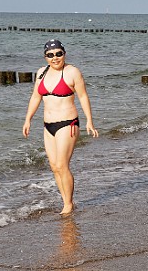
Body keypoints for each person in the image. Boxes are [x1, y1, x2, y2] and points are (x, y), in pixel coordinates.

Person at [23, 39, 98, 215]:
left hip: (68, 124)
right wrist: (28, 120)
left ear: (64, 54)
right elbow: (35, 97)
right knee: (54, 166)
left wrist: (89, 121)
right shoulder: (41, 73)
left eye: (58, 54)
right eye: (50, 55)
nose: (55, 58)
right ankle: (65, 200)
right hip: (47, 126)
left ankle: (68, 204)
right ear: (45, 57)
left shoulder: (72, 72)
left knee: (63, 164)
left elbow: (83, 96)